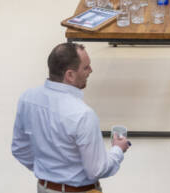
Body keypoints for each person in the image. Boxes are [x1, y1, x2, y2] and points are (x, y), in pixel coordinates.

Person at [13, 42, 129, 193]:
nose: (91, 71)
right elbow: (96, 170)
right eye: (86, 67)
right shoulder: (83, 115)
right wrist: (118, 150)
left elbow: (19, 149)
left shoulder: (27, 99)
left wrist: (49, 173)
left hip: (44, 187)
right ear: (70, 75)